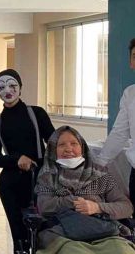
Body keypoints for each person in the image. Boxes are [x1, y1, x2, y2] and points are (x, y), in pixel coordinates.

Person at [36, 126, 135, 252]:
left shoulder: (99, 174)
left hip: (103, 232)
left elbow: (126, 207)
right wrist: (74, 201)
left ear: (82, 148)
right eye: (61, 145)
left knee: (121, 250)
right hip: (63, 234)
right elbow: (44, 207)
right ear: (53, 150)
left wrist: (96, 207)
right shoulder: (48, 176)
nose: (68, 149)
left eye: (74, 144)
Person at [0, 68, 54, 253]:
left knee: (44, 234)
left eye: (12, 85)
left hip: (40, 181)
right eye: (1, 87)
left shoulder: (37, 113)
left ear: (20, 88)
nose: (7, 90)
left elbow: (54, 143)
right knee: (19, 237)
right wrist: (16, 159)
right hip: (10, 185)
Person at [99, 38, 135, 202]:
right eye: (134, 56)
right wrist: (101, 163)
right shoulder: (130, 94)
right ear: (131, 63)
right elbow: (119, 133)